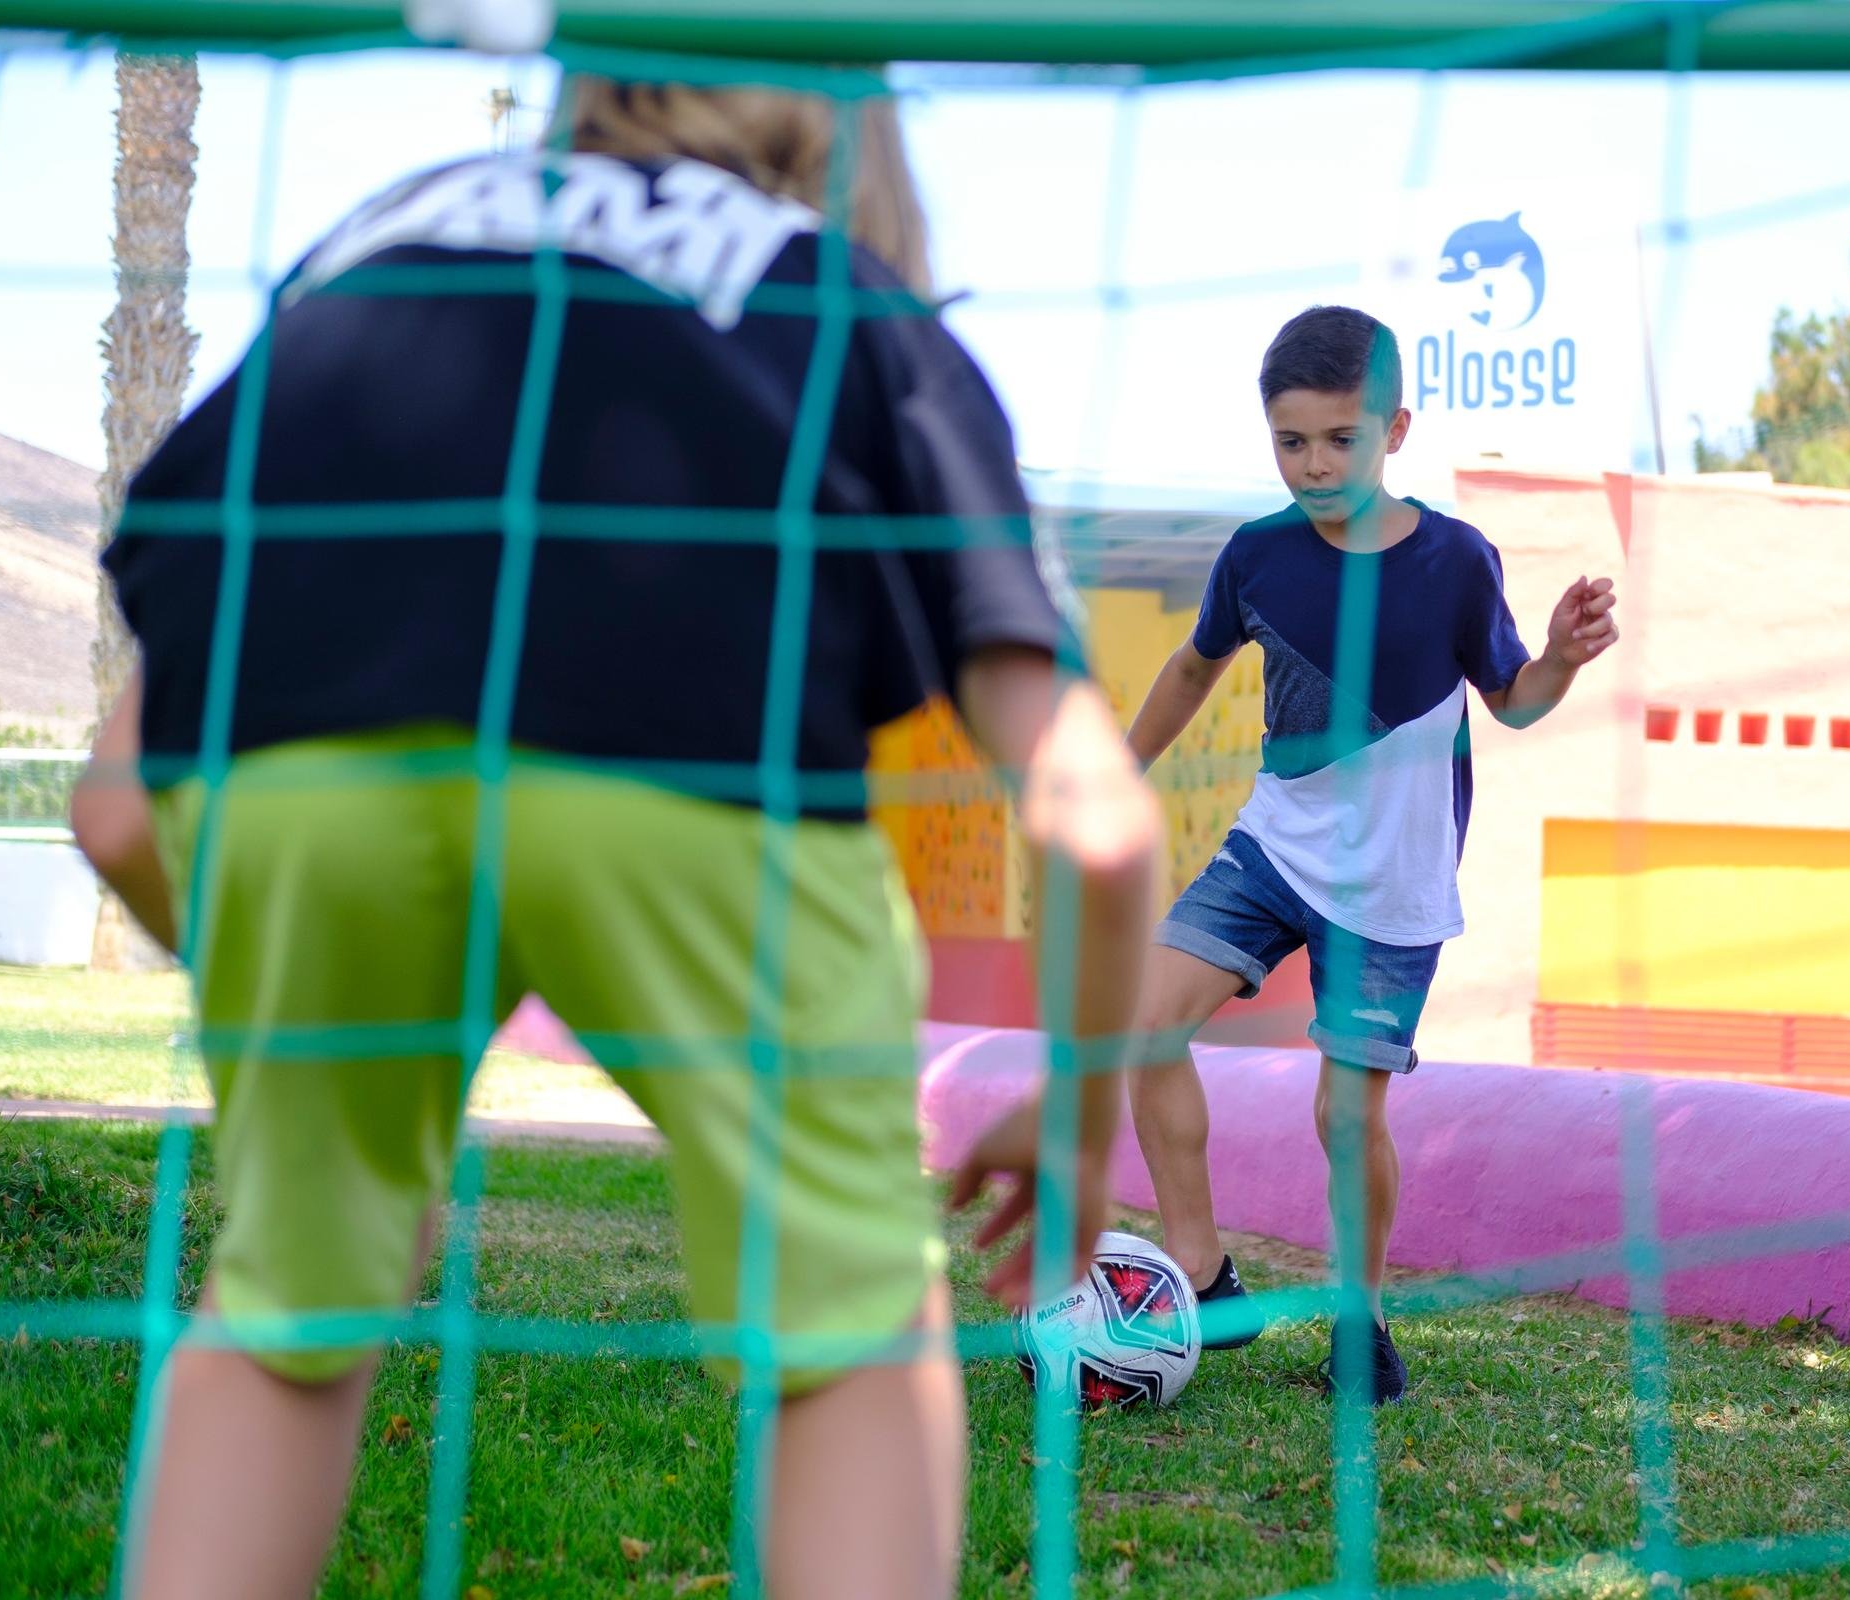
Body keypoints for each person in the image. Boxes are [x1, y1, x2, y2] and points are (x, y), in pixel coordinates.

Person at [71, 76, 1157, 1600]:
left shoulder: (375, 249)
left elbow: (110, 802)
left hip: (305, 793)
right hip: (704, 797)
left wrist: (329, 1029)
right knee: (848, 1332)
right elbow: (1102, 826)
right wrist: (1079, 1114)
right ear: (855, 138)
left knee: (286, 1313)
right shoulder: (848, 306)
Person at [1120, 305, 1618, 1404]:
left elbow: (1517, 703)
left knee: (1345, 1114)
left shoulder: (1454, 559)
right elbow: (1194, 670)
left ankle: (1363, 1319)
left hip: (1391, 885)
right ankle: (1201, 1274)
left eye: (1338, 439)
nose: (1313, 464)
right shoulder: (1256, 555)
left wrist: (1562, 657)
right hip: (1271, 846)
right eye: (1289, 441)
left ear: (1395, 427)